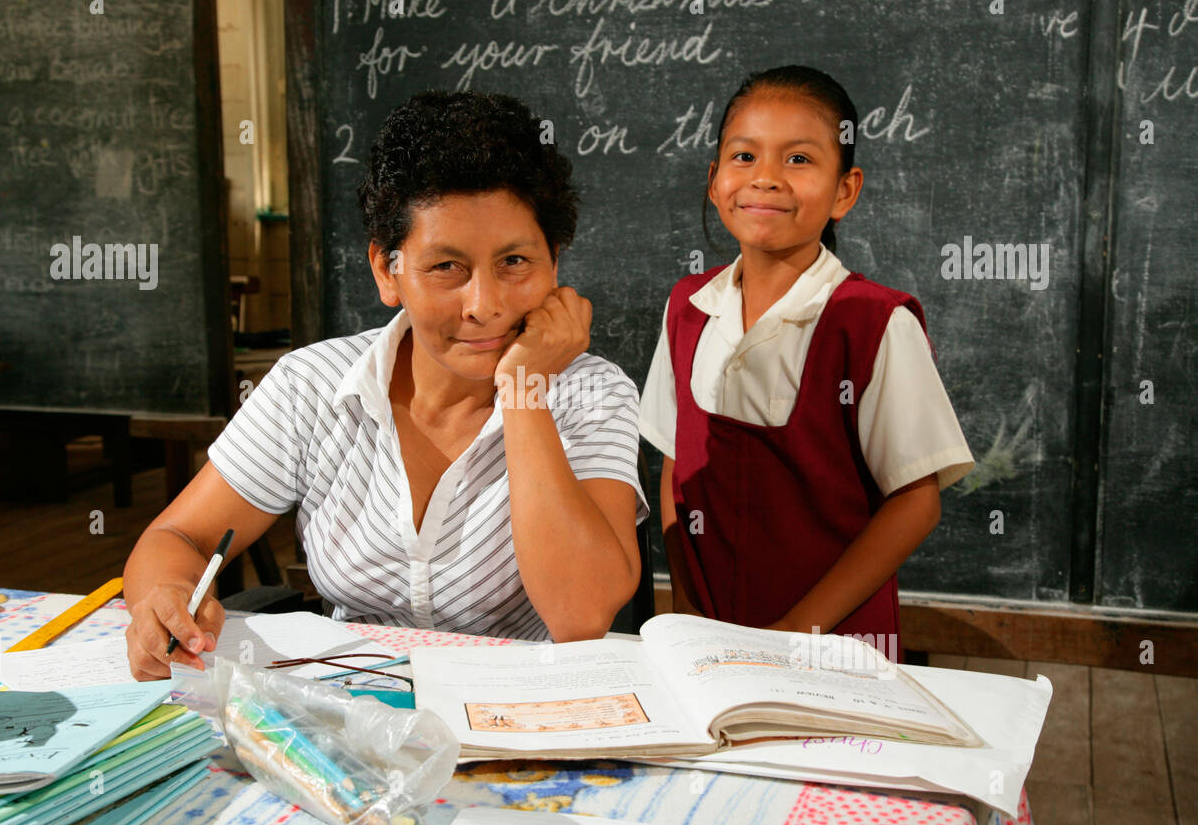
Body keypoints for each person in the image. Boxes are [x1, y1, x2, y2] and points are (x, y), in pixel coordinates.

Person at [123, 90, 649, 680]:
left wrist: (524, 390)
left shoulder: (592, 394)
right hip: (347, 716)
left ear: (554, 262)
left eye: (515, 262)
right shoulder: (312, 386)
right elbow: (178, 534)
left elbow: (581, 615)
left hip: (519, 713)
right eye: (446, 266)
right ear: (387, 270)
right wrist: (165, 597)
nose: (485, 305)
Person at [638, 66, 973, 654]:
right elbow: (674, 464)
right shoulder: (687, 308)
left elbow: (916, 502)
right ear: (715, 181)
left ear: (845, 190)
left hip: (833, 647)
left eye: (798, 160)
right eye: (744, 157)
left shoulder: (873, 323)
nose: (765, 179)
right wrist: (687, 605)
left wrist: (795, 635)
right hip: (709, 637)